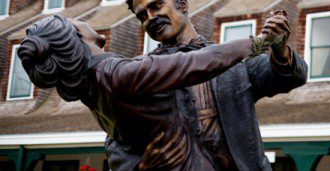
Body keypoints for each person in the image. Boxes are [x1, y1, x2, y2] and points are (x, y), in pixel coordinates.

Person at [18, 15, 276, 170]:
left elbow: (119, 145)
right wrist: (258, 42)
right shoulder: (116, 74)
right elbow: (194, 63)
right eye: (75, 20)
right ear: (76, 34)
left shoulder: (91, 88)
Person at [104, 0, 308, 170]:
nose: (151, 18)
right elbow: (116, 142)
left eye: (156, 6)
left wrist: (280, 49)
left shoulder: (233, 62)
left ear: (182, 4)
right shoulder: (142, 74)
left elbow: (291, 77)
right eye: (142, 16)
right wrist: (140, 165)